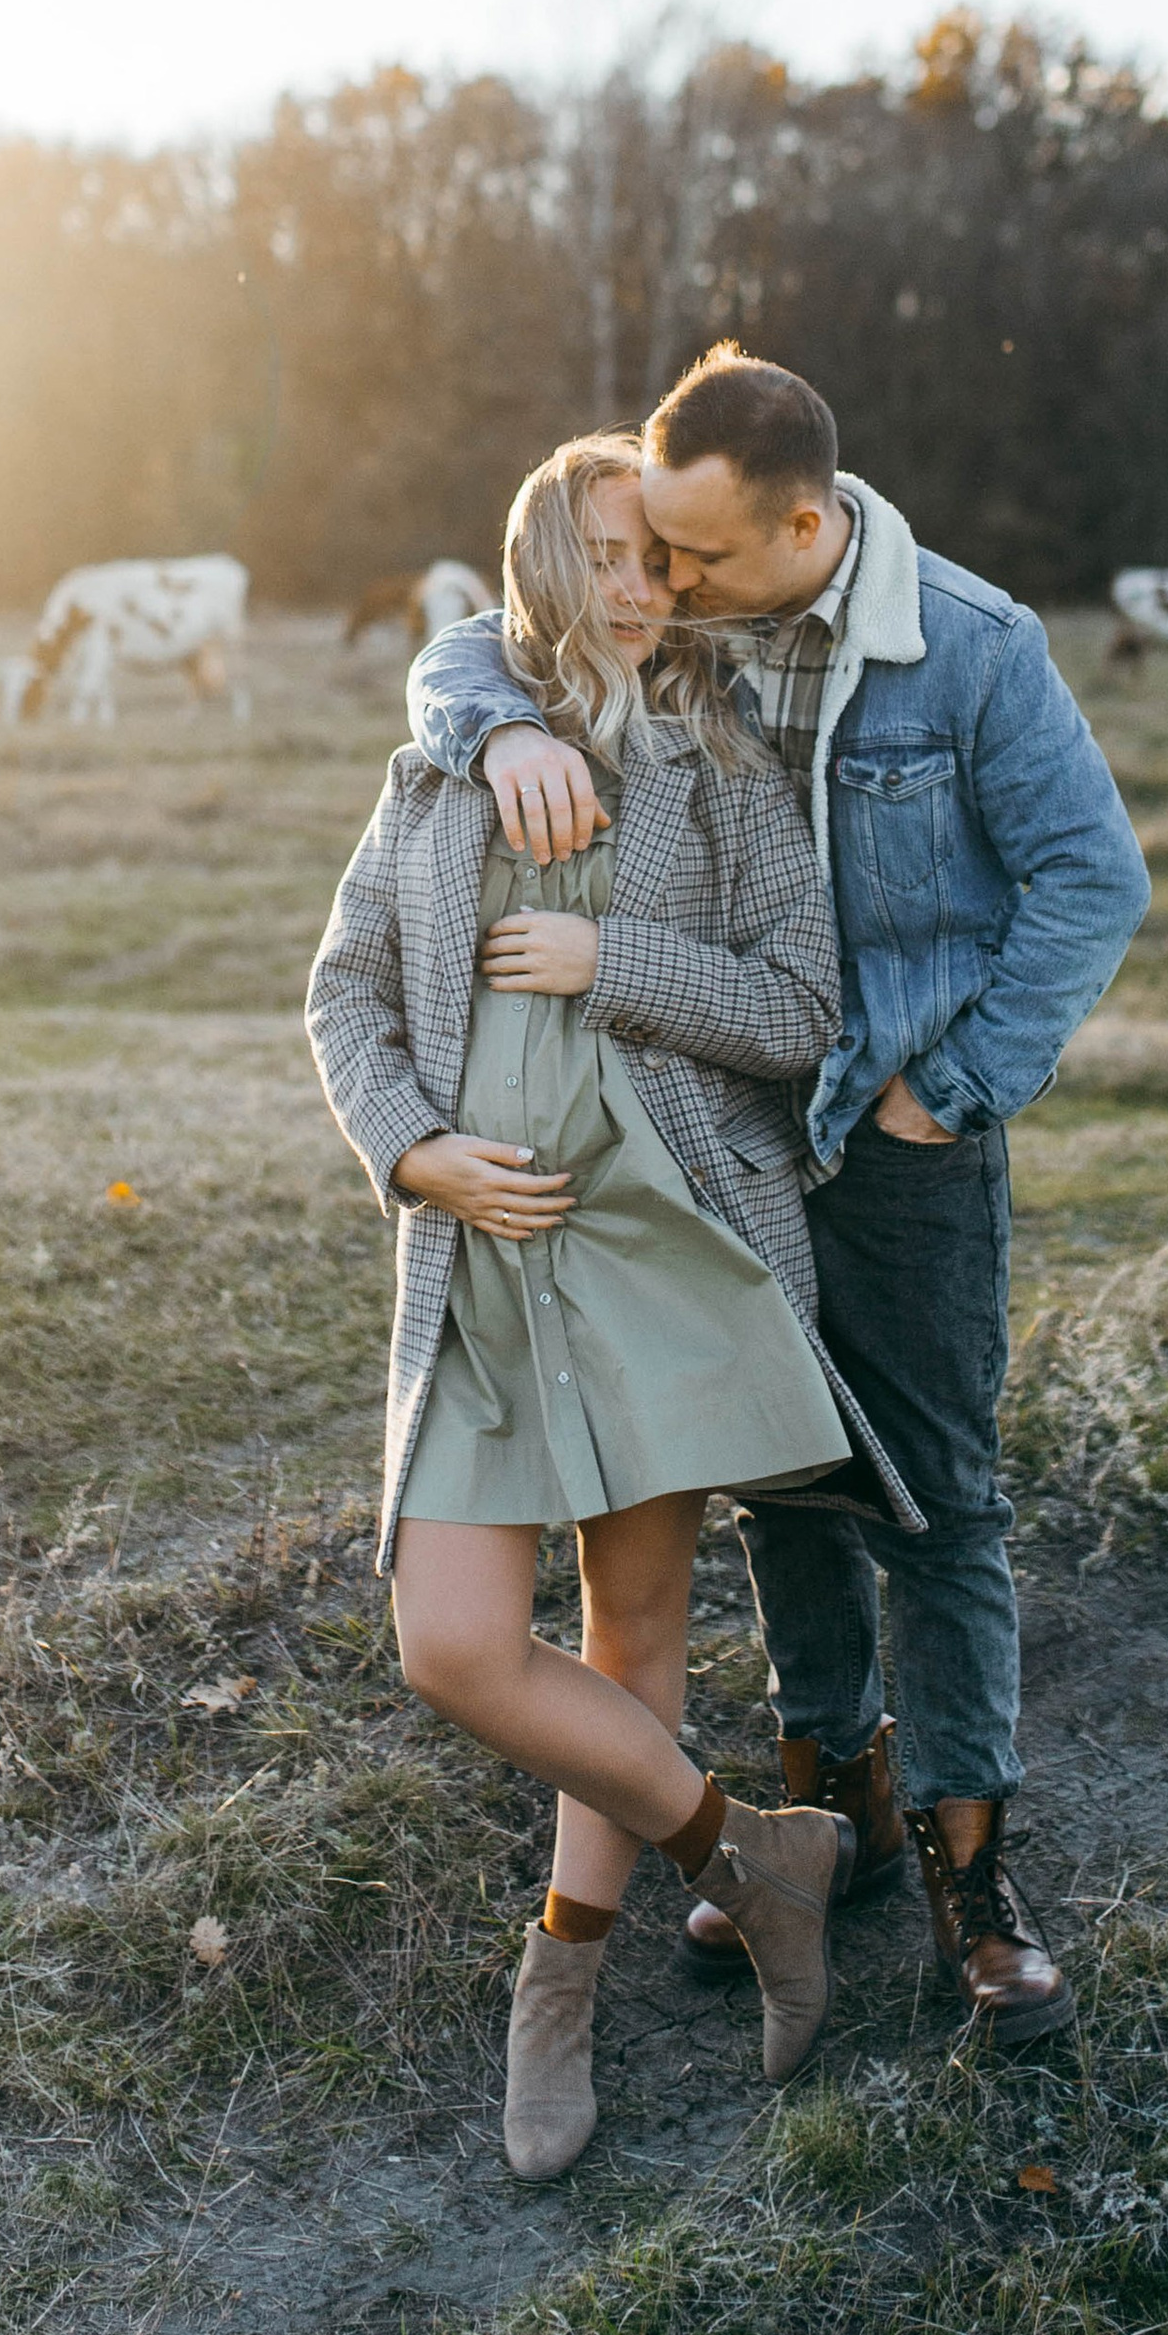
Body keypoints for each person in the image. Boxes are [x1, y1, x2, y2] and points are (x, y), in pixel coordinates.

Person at [409, 348, 1151, 2046]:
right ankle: (844, 1798)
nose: (664, 584)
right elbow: (483, 636)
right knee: (784, 1486)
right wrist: (505, 717)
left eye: (695, 558)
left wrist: (937, 1092)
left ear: (805, 524)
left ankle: (979, 1877)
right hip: (728, 1136)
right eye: (648, 551)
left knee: (938, 1502)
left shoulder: (967, 649)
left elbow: (1091, 882)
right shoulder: (703, 601)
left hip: (896, 1143)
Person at [307, 429, 916, 2180]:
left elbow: (802, 1006)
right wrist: (419, 1154)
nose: (642, 590)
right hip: (485, 1253)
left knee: (632, 1628)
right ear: (539, 566)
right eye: (606, 557)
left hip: (654, 1239)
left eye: (662, 559)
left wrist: (611, 961)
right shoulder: (442, 766)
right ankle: (755, 1853)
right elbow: (345, 994)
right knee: (455, 1645)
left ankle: (560, 1988)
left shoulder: (722, 761)